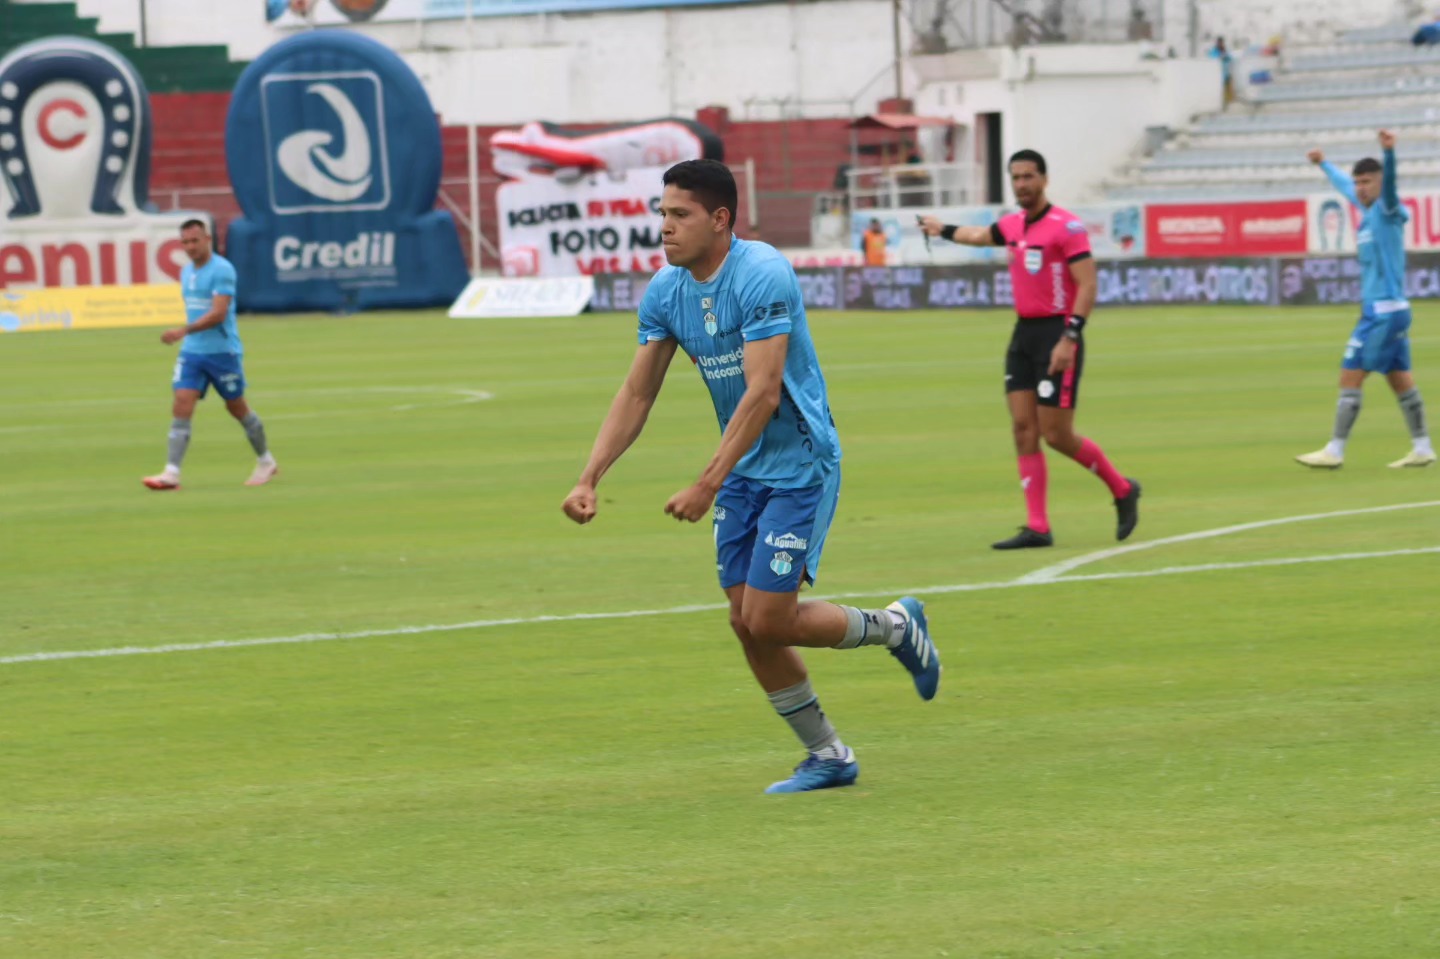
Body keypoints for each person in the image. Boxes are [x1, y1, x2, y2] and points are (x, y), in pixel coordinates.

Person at [561, 159, 940, 794]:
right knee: (746, 621)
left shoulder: (761, 273)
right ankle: (828, 755)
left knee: (768, 619)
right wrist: (589, 476)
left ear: (720, 219)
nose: (665, 227)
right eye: (662, 213)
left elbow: (764, 393)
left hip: (799, 466)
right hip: (742, 468)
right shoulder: (667, 291)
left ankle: (898, 627)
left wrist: (707, 482)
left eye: (679, 215)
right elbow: (636, 393)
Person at [920, 149, 1140, 549]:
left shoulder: (1067, 227)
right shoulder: (1012, 224)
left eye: (1028, 177)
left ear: (1044, 179)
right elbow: (978, 236)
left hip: (1058, 335)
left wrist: (1069, 338)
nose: (1021, 184)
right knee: (1023, 430)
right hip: (1023, 335)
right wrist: (942, 228)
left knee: (1056, 434)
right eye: (1016, 177)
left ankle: (1123, 489)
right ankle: (1038, 526)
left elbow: (1088, 285)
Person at [1296, 131, 1433, 469]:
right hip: (1392, 310)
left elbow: (1390, 185)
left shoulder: (1386, 209)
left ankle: (1336, 451)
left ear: (1380, 183)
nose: (1360, 187)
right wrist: (1323, 164)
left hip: (1383, 313)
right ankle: (1423, 446)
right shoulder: (1365, 207)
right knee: (1399, 377)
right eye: (1359, 182)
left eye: (1367, 182)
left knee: (1350, 373)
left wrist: (1389, 154)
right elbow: (1344, 185)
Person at [142, 220, 278, 490]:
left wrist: (183, 330)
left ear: (207, 239)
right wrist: (188, 336)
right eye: (185, 242)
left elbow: (218, 314)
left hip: (222, 353)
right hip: (193, 352)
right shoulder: (185, 272)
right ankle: (171, 473)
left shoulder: (222, 270)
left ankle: (266, 460)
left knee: (237, 408)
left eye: (195, 241)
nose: (190, 247)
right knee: (182, 402)